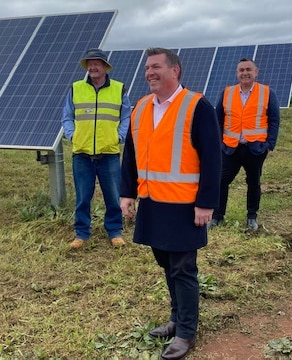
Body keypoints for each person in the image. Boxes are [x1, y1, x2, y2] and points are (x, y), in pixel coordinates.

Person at [120, 47, 221, 360]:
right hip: (152, 202)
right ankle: (176, 319)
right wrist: (127, 193)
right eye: (147, 67)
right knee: (165, 264)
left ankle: (187, 332)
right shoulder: (140, 107)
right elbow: (131, 156)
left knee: (183, 268)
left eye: (156, 67)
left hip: (184, 204)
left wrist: (206, 203)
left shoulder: (196, 105)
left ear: (174, 70)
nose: (149, 72)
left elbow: (212, 158)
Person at [61, 48, 131, 249]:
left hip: (108, 152)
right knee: (83, 196)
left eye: (97, 63)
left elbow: (126, 115)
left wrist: (120, 136)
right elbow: (67, 115)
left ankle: (115, 231)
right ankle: (81, 233)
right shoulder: (76, 88)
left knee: (112, 195)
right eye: (89, 63)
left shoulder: (118, 89)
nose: (93, 67)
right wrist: (71, 134)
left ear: (105, 67)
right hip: (81, 153)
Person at [209, 57, 280, 231]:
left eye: (248, 69)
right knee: (221, 181)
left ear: (256, 72)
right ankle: (217, 216)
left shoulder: (267, 92)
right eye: (241, 70)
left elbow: (274, 120)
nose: (245, 73)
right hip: (230, 147)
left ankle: (251, 217)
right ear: (237, 73)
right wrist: (219, 142)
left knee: (253, 182)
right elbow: (217, 118)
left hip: (255, 148)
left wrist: (269, 144)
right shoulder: (227, 92)